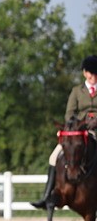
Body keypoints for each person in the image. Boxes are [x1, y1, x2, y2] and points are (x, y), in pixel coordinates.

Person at [31, 55, 97, 209]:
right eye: (90, 73)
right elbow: (69, 113)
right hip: (79, 133)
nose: (93, 77)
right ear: (84, 73)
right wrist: (78, 124)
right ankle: (47, 195)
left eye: (95, 74)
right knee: (53, 157)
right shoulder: (76, 91)